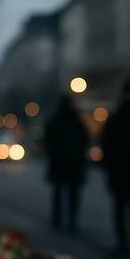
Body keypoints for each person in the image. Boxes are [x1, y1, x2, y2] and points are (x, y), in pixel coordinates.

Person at [101, 78, 130, 252]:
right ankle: (125, 241)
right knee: (122, 208)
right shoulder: (119, 117)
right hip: (122, 170)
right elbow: (108, 143)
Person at [44, 95, 89, 231]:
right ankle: (67, 219)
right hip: (69, 163)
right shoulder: (75, 121)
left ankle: (62, 219)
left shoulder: (58, 121)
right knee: (68, 194)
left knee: (63, 192)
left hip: (64, 163)